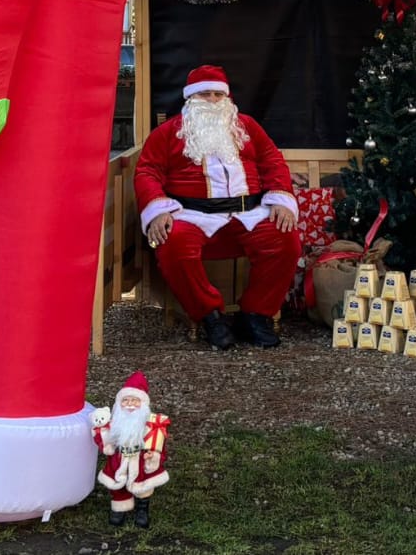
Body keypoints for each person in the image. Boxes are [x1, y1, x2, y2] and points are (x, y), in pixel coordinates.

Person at [135, 65, 301, 349]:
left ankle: (256, 315)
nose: (212, 101)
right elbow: (147, 171)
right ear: (190, 99)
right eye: (204, 94)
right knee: (172, 243)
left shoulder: (246, 127)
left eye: (217, 94)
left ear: (227, 98)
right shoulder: (168, 133)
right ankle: (211, 317)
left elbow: (272, 160)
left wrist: (280, 198)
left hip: (247, 213)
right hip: (191, 215)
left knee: (286, 239)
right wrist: (158, 210)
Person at [90, 371, 169, 529]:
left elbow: (157, 443)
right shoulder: (114, 423)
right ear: (119, 404)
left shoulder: (150, 425)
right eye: (125, 400)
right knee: (117, 482)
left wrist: (152, 455)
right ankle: (120, 508)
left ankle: (142, 509)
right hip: (119, 459)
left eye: (135, 400)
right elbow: (103, 438)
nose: (130, 404)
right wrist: (106, 443)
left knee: (144, 484)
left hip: (140, 460)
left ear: (143, 404)